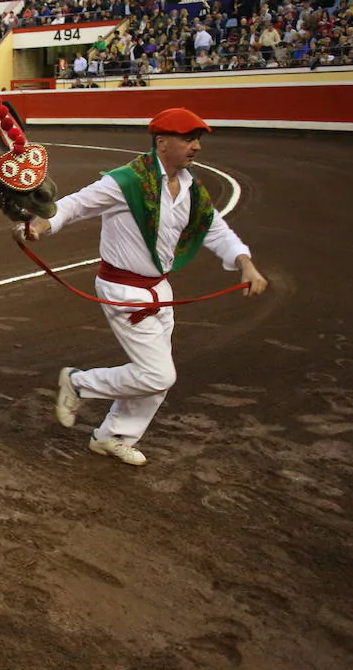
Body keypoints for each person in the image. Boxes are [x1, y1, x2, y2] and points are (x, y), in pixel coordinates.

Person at [21, 108, 268, 466]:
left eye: (197, 139)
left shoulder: (190, 190)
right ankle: (78, 383)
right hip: (123, 289)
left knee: (157, 376)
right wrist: (41, 226)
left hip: (159, 290)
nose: (196, 146)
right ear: (161, 142)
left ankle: (112, 437)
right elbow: (75, 205)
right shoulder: (126, 182)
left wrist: (245, 263)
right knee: (157, 373)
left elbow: (215, 229)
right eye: (188, 139)